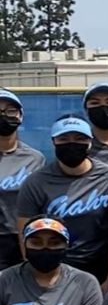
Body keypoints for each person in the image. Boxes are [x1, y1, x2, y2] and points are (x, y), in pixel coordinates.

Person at [17, 114, 108, 286]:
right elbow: (25, 234)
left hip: (99, 265)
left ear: (90, 142)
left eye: (80, 139)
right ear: (53, 142)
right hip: (54, 264)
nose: (72, 144)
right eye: (64, 139)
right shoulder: (35, 182)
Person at [0, 89, 45, 271]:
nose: (3, 116)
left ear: (20, 116)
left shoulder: (35, 159)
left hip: (27, 237)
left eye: (10, 110)